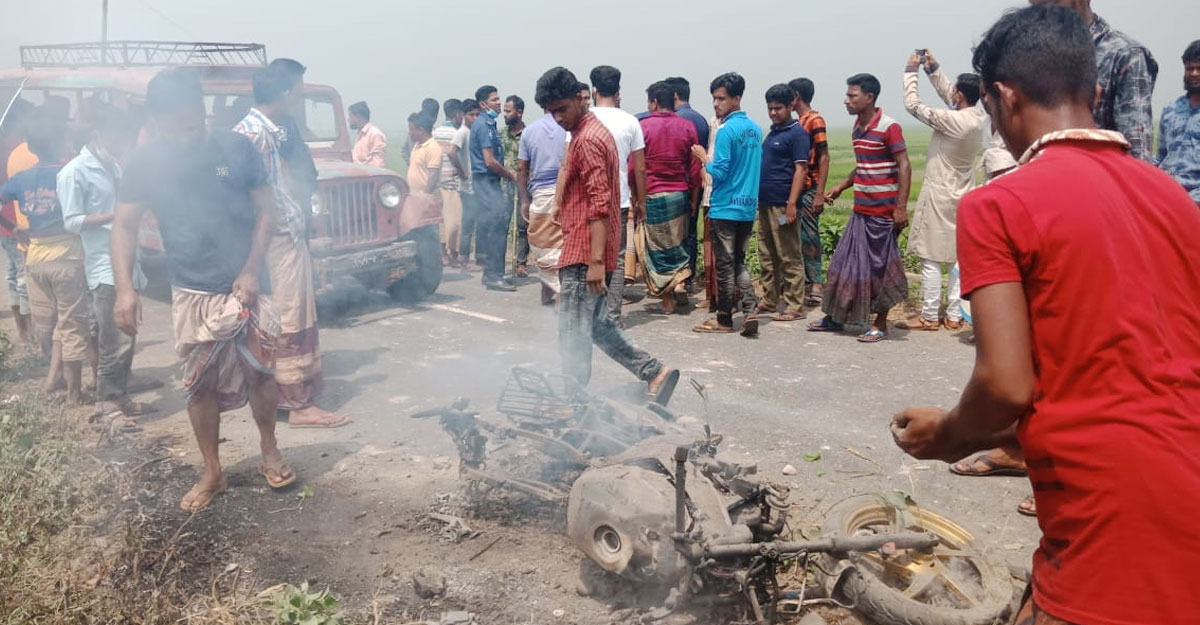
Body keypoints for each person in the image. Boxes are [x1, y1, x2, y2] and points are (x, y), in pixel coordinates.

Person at [891, 7, 1200, 625]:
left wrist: (948, 435)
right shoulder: (1171, 197)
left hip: (1111, 517)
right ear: (1096, 90)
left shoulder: (1000, 204)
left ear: (1004, 97)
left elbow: (1006, 385)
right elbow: (1124, 373)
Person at [113, 68, 293, 511]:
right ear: (156, 120)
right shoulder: (145, 161)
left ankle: (269, 449)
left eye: (192, 121)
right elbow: (124, 224)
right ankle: (213, 471)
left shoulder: (235, 147)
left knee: (260, 372)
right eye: (174, 124)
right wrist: (124, 289)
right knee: (199, 386)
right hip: (191, 288)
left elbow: (266, 211)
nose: (185, 132)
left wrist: (251, 269)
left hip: (247, 280)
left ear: (202, 111)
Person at [535, 66, 679, 405]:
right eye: (551, 112)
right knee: (596, 326)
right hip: (591, 246)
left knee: (571, 333)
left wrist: (598, 262)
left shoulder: (587, 140)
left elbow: (600, 204)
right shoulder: (593, 130)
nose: (557, 119)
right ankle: (654, 372)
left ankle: (573, 401)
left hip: (587, 252)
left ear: (580, 98)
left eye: (562, 109)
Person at [235, 64, 350, 429]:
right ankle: (296, 405)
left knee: (297, 314)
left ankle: (296, 395)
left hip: (286, 235)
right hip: (276, 241)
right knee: (288, 317)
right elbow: (234, 182)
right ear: (285, 95)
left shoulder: (265, 132)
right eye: (298, 93)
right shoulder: (253, 135)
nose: (299, 100)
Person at [59, 108, 159, 425]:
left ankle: (121, 397)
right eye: (117, 135)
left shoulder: (115, 164)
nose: (122, 142)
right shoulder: (74, 171)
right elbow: (72, 222)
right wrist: (118, 218)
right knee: (111, 339)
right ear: (98, 134)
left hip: (129, 261)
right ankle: (107, 405)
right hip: (103, 264)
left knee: (127, 332)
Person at [810, 74, 911, 343]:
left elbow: (904, 165)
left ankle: (880, 324)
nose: (847, 100)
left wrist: (900, 208)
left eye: (852, 95)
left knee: (880, 270)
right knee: (843, 265)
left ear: (870, 97)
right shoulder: (857, 127)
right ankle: (836, 317)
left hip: (883, 213)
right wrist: (842, 185)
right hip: (861, 211)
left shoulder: (890, 127)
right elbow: (864, 166)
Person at [0, 108, 91, 403]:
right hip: (66, 255)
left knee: (55, 322)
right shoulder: (68, 173)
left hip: (35, 258)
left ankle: (53, 379)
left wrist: (14, 228)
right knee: (74, 324)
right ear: (61, 140)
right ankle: (75, 393)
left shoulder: (23, 177)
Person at [897, 51, 988, 333]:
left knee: (931, 257)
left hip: (939, 192)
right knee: (958, 258)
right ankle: (954, 314)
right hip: (964, 190)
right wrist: (933, 69)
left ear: (960, 94)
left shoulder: (952, 120)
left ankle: (928, 315)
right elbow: (953, 95)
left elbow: (913, 105)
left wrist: (910, 71)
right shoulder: (978, 119)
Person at [1030, 0, 1158, 161]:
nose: (1043, 13)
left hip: (1100, 177)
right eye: (1036, 7)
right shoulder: (1033, 55)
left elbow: (1137, 152)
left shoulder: (1125, 55)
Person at [690, 73, 762, 337]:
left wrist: (701, 157)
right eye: (714, 99)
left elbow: (718, 172)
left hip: (724, 205)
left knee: (724, 265)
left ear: (737, 98)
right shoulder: (754, 129)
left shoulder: (725, 130)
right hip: (746, 205)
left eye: (721, 98)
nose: (716, 104)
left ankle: (723, 319)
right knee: (739, 261)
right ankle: (751, 308)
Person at [588, 66, 647, 325]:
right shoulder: (630, 121)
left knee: (588, 255)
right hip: (619, 199)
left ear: (593, 90)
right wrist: (641, 200)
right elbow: (640, 167)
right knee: (618, 258)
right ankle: (611, 317)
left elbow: (568, 163)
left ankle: (590, 314)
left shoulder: (583, 119)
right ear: (618, 91)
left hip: (588, 201)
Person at [638, 81, 700, 315]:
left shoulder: (643, 127)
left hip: (653, 193)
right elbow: (694, 168)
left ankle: (666, 300)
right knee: (678, 243)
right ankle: (681, 282)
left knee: (658, 249)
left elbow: (635, 168)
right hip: (680, 194)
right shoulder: (687, 127)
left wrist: (638, 197)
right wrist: (693, 197)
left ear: (653, 102)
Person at [756, 84, 810, 323]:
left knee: (788, 254)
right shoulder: (774, 133)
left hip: (783, 205)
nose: (773, 113)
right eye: (770, 108)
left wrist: (791, 204)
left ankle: (795, 304)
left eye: (778, 108)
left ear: (791, 106)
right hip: (766, 203)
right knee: (766, 253)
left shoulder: (797, 134)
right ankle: (769, 298)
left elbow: (801, 169)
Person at [469, 85, 518, 291]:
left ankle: (496, 272)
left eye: (499, 99)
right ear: (483, 104)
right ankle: (491, 275)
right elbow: (489, 161)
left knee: (497, 226)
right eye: (494, 100)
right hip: (485, 180)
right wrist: (510, 174)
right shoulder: (482, 126)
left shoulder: (489, 124)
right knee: (495, 226)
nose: (499, 103)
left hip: (491, 181)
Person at [517, 105, 567, 305]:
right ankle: (554, 289)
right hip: (565, 193)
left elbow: (522, 168)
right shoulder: (569, 128)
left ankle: (550, 289)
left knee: (543, 244)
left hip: (540, 195)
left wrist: (524, 199)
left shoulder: (529, 131)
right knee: (561, 246)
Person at [788, 78, 831, 308]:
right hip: (796, 190)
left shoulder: (814, 120)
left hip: (809, 188)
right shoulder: (798, 122)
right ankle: (802, 282)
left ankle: (815, 284)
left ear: (796, 96)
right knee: (792, 233)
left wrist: (819, 194)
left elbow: (824, 156)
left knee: (809, 236)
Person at [266, 59, 319, 219]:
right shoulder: (254, 130)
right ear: (285, 90)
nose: (300, 94)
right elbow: (223, 171)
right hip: (280, 219)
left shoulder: (288, 122)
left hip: (298, 213)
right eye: (298, 88)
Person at [0, 99, 33, 346]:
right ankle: (30, 335)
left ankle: (23, 333)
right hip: (16, 223)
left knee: (13, 275)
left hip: (7, 224)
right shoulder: (19, 149)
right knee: (23, 279)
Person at [1157, 40, 1200, 207]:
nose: (1194, 73)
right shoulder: (1170, 109)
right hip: (1165, 195)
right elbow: (1160, 156)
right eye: (1190, 68)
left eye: (1199, 68)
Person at [433, 99, 470, 265]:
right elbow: (452, 154)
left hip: (437, 182)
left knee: (441, 221)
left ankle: (442, 254)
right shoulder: (457, 134)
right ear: (457, 114)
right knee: (455, 221)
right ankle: (452, 255)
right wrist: (462, 172)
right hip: (453, 182)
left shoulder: (434, 133)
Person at [499, 95, 529, 278]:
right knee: (502, 224)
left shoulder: (529, 134)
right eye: (504, 110)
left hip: (523, 186)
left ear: (519, 112)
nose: (505, 114)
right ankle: (500, 261)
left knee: (522, 225)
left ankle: (521, 263)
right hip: (504, 185)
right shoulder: (501, 134)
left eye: (508, 111)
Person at [349, 101, 387, 168]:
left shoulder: (375, 134)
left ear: (357, 116)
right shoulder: (360, 134)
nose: (348, 120)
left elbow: (378, 164)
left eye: (350, 116)